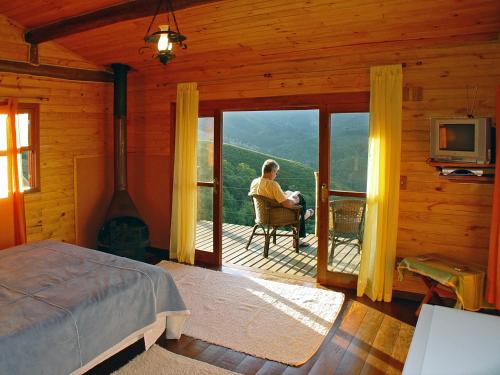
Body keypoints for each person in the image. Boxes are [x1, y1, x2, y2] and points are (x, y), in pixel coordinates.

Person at [249, 159, 314, 247]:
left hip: (262, 215)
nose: (276, 175)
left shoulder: (254, 182)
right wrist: (294, 199)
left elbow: (268, 197)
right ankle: (298, 235)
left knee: (290, 194)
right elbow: (286, 204)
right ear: (272, 171)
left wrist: (286, 194)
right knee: (300, 201)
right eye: (276, 172)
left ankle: (303, 215)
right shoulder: (272, 184)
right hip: (275, 216)